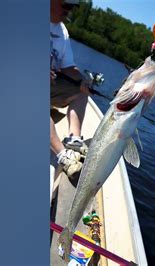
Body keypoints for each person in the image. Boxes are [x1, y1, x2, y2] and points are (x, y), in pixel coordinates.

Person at [50, 0, 91, 177]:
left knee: (81, 91)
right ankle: (62, 155)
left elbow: (68, 67)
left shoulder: (62, 31)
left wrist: (82, 80)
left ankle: (74, 139)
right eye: (65, 5)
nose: (68, 11)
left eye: (71, 7)